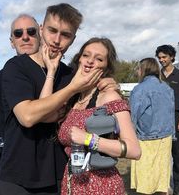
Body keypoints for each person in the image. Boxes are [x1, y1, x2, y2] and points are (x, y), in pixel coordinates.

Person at [0, 3, 117, 195]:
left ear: (73, 39)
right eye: (52, 30)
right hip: (18, 178)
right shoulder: (16, 67)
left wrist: (108, 84)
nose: (57, 40)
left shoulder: (70, 74)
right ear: (42, 29)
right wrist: (71, 89)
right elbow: (27, 117)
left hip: (58, 176)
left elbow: (94, 102)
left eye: (65, 35)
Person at [57, 37, 141, 195]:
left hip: (102, 185)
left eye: (99, 59)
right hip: (72, 183)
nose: (90, 61)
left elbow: (134, 150)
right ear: (78, 59)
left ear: (106, 67)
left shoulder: (109, 96)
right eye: (86, 55)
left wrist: (88, 139)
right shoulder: (73, 97)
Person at [129, 57, 175, 195]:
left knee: (145, 179)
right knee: (161, 178)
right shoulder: (167, 88)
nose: (138, 71)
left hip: (146, 138)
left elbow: (133, 116)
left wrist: (129, 136)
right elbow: (171, 112)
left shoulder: (140, 89)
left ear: (144, 69)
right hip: (165, 137)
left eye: (138, 69)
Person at [155, 45, 179, 195]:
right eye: (159, 57)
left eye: (164, 57)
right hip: (158, 120)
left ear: (171, 57)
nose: (161, 60)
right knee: (159, 153)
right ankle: (159, 183)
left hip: (175, 119)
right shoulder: (156, 76)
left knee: (177, 154)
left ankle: (178, 185)